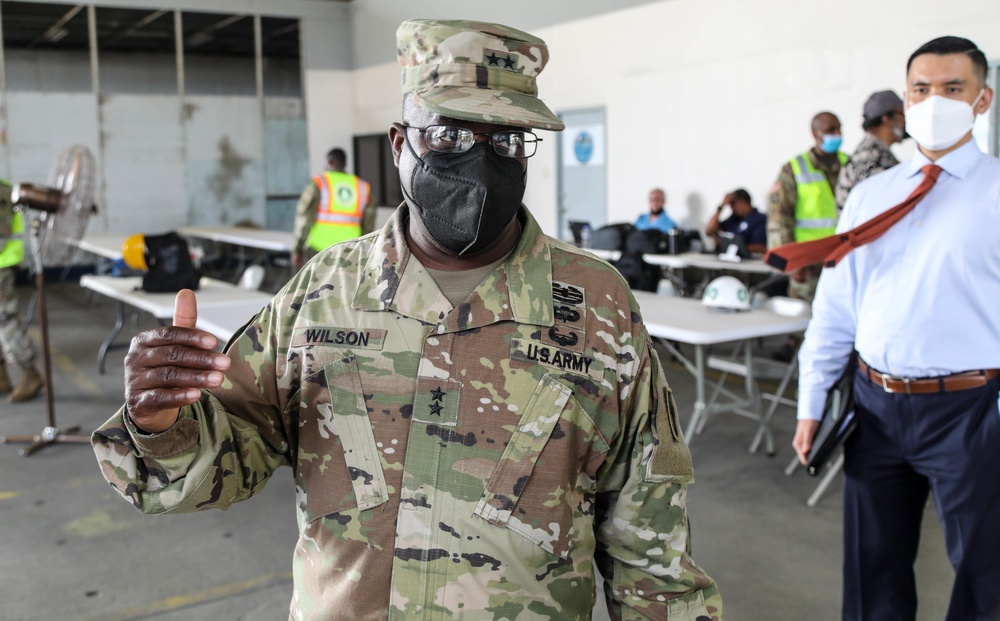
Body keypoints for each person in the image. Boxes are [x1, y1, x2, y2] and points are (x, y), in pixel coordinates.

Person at [92, 19, 722, 621]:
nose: (478, 162)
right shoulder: (326, 292)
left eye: (505, 141)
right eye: (447, 134)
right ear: (400, 143)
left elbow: (652, 545)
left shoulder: (595, 304)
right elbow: (227, 457)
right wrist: (160, 424)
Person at [794, 36, 1000, 621]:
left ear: (982, 100)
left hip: (972, 411)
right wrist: (812, 402)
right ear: (905, 101)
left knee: (987, 575)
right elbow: (835, 306)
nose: (935, 101)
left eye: (953, 89)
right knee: (871, 571)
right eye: (921, 89)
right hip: (875, 408)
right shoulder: (870, 195)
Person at [767, 111, 848, 361]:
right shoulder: (795, 168)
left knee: (841, 313)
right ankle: (799, 353)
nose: (836, 134)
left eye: (838, 128)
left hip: (844, 255)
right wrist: (791, 260)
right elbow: (780, 216)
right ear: (816, 134)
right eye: (830, 129)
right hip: (808, 259)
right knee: (804, 314)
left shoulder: (850, 163)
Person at [290, 147, 375, 269]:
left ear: (329, 162)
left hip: (318, 250)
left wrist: (296, 249)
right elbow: (368, 224)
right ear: (345, 164)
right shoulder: (362, 187)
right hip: (350, 251)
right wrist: (365, 250)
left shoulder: (319, 183)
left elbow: (305, 218)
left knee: (317, 287)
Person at [0, 180, 43, 403]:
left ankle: (30, 373)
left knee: (5, 321)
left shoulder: (1, 191)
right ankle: (2, 377)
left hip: (1, 266)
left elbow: (2, 233)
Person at [835, 90, 906, 210]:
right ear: (886, 118)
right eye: (902, 114)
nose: (905, 120)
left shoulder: (875, 151)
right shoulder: (871, 156)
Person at [705, 188, 767, 254]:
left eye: (733, 204)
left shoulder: (759, 219)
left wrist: (735, 247)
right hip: (728, 258)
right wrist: (721, 206)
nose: (731, 208)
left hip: (749, 261)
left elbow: (761, 247)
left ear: (743, 202)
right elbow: (709, 231)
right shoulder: (733, 219)